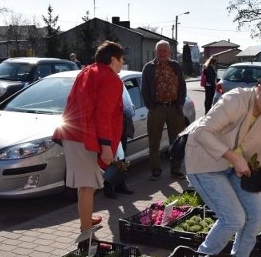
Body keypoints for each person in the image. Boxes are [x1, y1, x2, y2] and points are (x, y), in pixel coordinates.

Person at [185, 66, 261, 257]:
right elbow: (201, 132)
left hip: (236, 168)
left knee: (258, 213)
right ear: (259, 88)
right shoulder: (235, 100)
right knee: (233, 219)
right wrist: (234, 158)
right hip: (205, 163)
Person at [54, 40, 124, 235]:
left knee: (85, 182)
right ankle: (86, 230)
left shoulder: (86, 71)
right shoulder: (110, 78)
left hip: (73, 133)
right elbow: (103, 113)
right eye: (121, 59)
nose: (122, 63)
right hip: (85, 137)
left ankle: (87, 216)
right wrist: (106, 146)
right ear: (113, 59)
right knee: (87, 185)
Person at [140, 40, 187, 180]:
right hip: (157, 108)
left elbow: (182, 86)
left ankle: (176, 169)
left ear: (169, 53)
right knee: (154, 141)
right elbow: (144, 89)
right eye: (159, 50)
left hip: (174, 108)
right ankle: (156, 170)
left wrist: (180, 103)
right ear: (156, 52)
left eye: (164, 51)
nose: (162, 53)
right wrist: (151, 106)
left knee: (177, 141)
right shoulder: (148, 68)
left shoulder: (176, 66)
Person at [104, 81, 135, 199]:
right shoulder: (108, 82)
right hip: (109, 124)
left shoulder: (118, 81)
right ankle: (109, 187)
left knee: (121, 156)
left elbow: (127, 106)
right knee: (109, 156)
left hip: (119, 123)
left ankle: (120, 184)